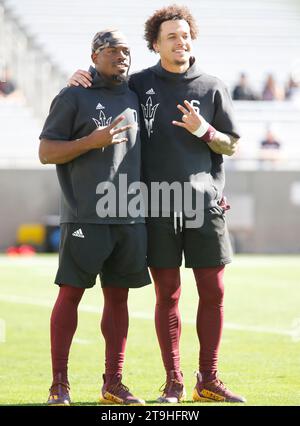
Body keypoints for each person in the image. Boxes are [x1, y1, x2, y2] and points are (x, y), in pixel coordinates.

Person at [69, 4, 246, 404]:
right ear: (155, 44)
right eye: (171, 36)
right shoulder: (137, 83)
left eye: (185, 35)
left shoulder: (213, 86)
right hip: (155, 205)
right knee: (168, 294)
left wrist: (206, 131)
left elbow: (232, 145)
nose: (180, 41)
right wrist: (78, 77)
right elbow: (103, 85)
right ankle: (175, 381)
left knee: (214, 291)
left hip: (205, 206)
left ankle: (210, 378)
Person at [39, 29, 151, 406]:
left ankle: (113, 384)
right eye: (114, 50)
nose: (123, 57)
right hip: (86, 215)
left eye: (127, 52)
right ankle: (59, 385)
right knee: (70, 295)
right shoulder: (73, 95)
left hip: (129, 217)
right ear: (94, 54)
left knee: (118, 300)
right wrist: (92, 141)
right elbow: (46, 152)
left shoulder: (135, 95)